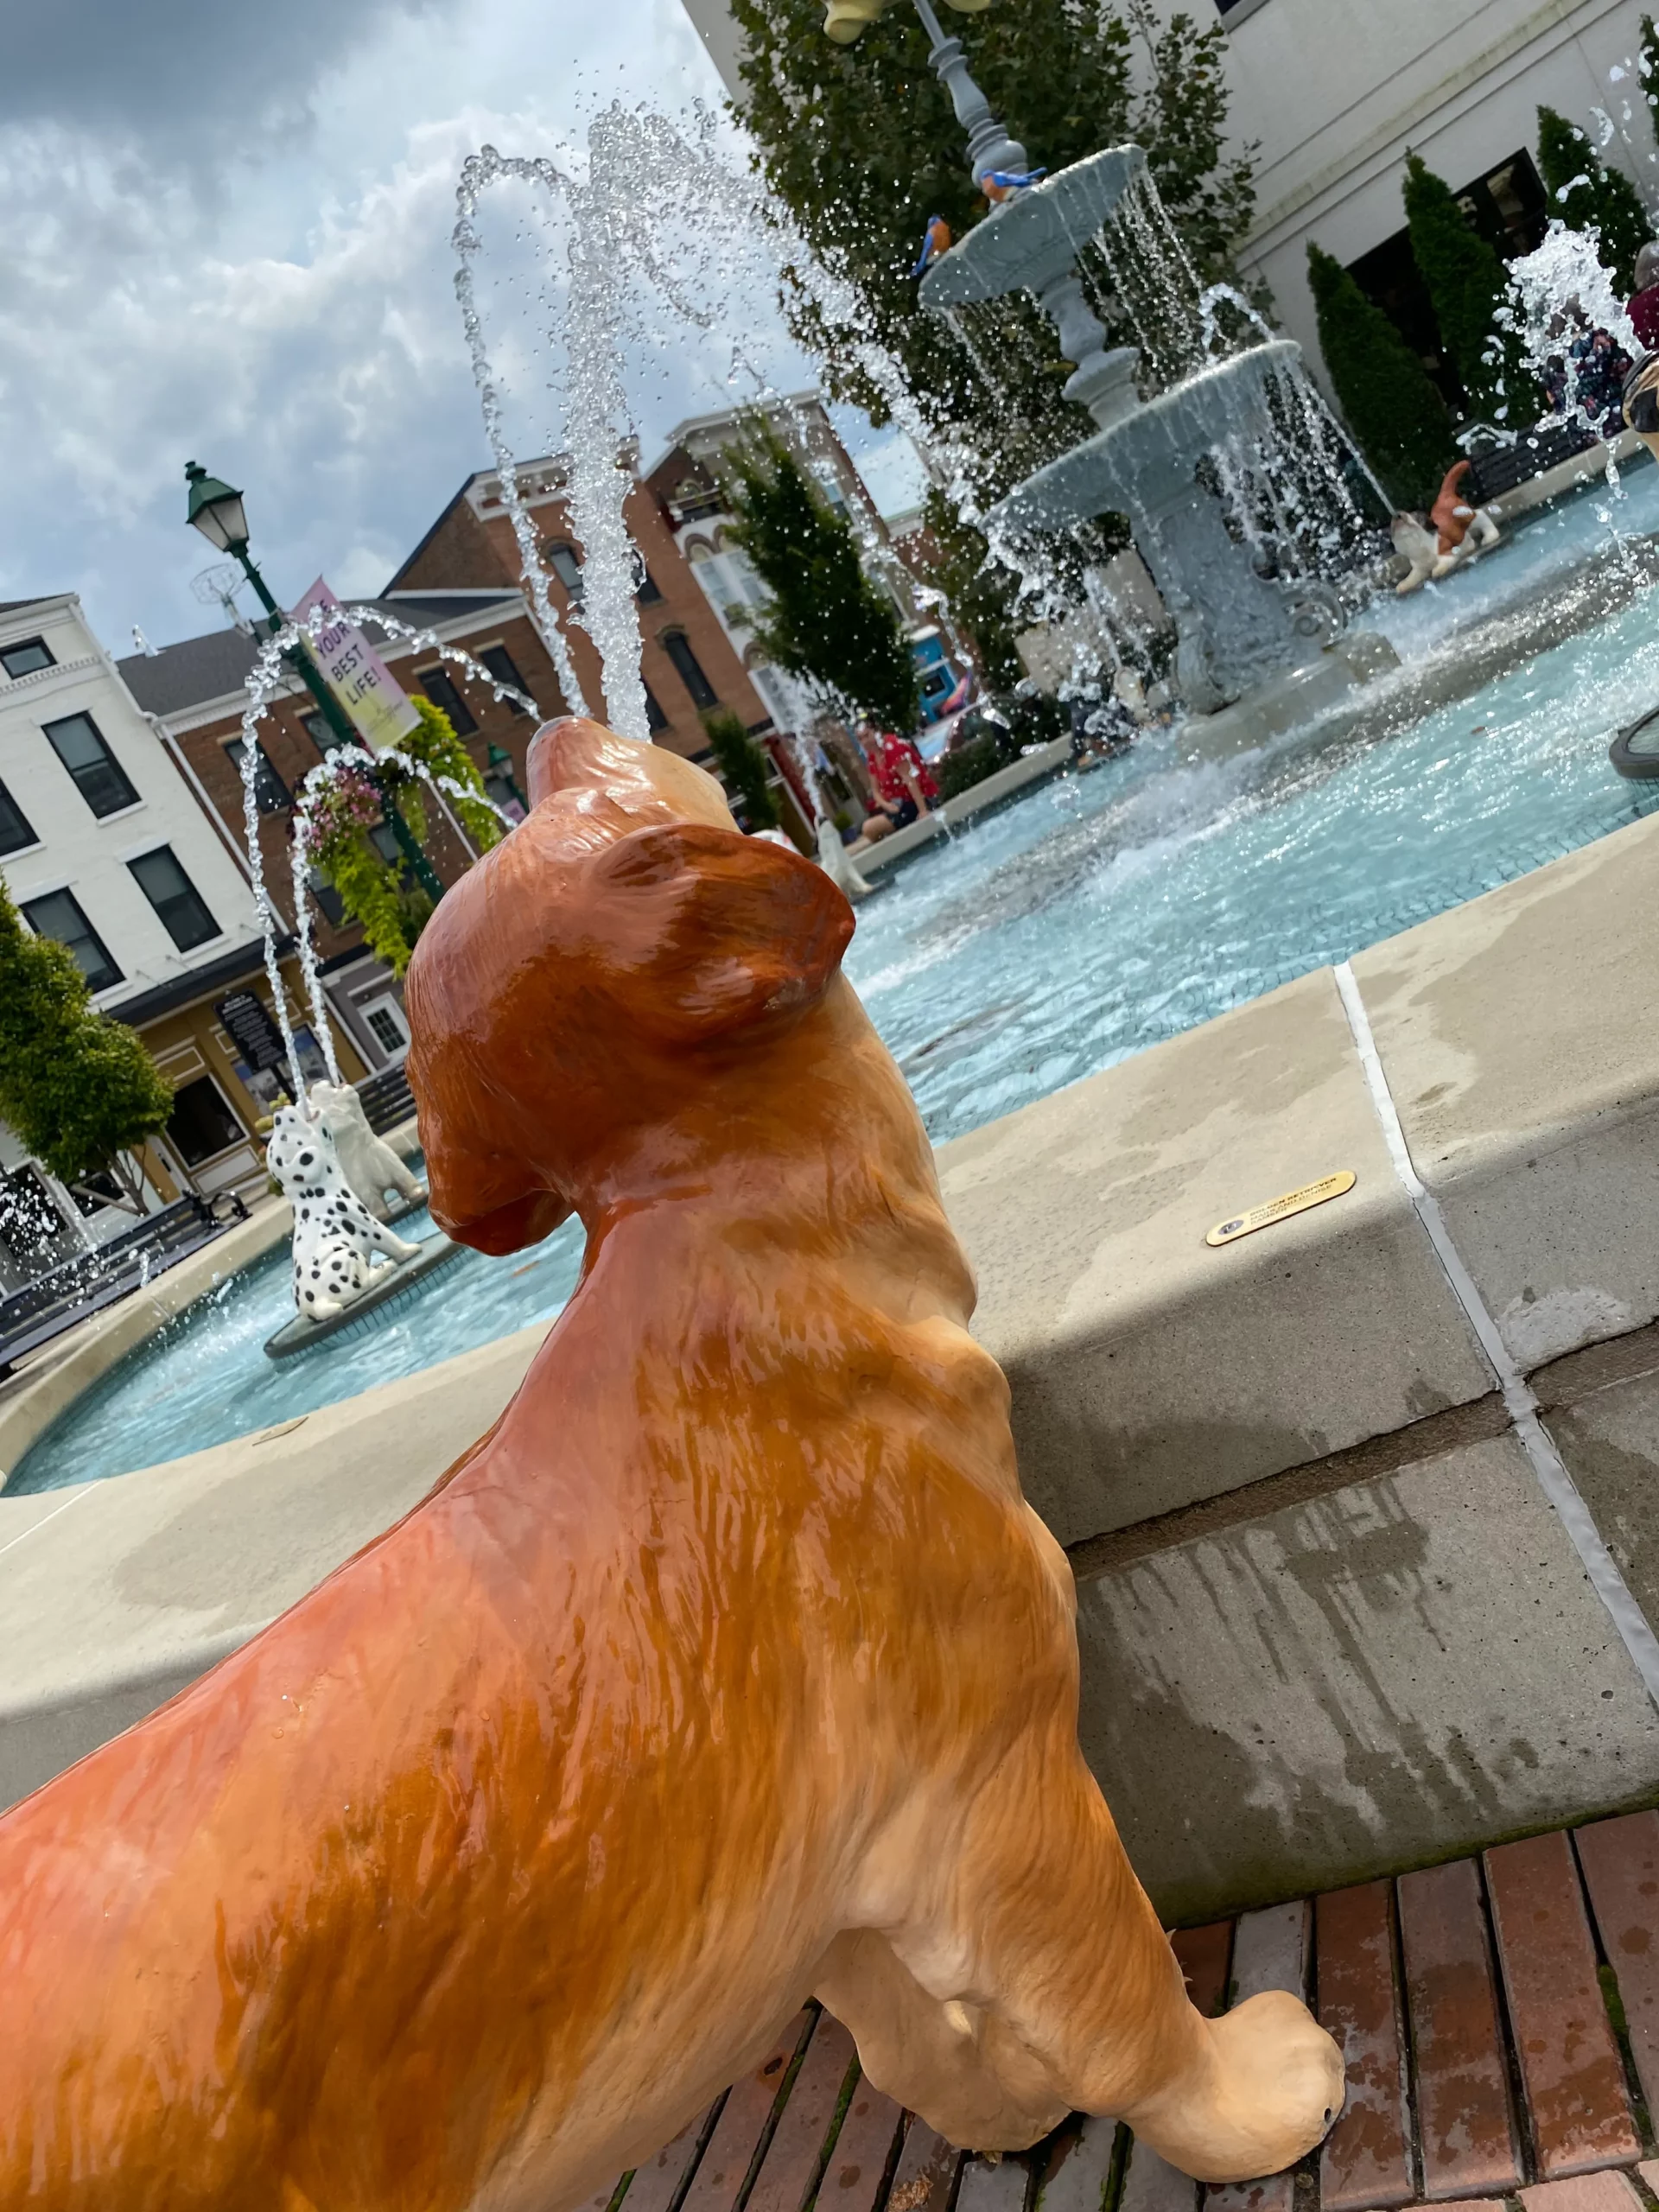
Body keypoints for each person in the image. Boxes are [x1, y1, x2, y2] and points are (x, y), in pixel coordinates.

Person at [858, 720, 938, 830]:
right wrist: (887, 805)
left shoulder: (891, 746)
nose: (864, 742)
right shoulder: (872, 758)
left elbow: (909, 779)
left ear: (876, 731)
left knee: (869, 828)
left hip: (917, 800)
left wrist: (923, 810)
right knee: (870, 829)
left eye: (867, 735)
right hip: (898, 806)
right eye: (860, 739)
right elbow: (875, 791)